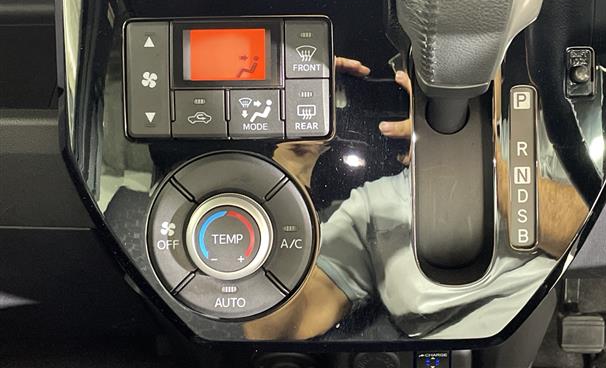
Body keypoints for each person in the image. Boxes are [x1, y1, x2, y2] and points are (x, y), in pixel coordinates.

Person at [244, 59, 588, 340]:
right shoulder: (371, 208)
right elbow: (275, 329)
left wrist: (479, 163)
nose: (447, 91)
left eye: (467, 64)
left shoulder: (545, 135)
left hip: (551, 335)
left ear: (497, 73)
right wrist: (292, 164)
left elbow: (596, 233)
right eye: (425, 76)